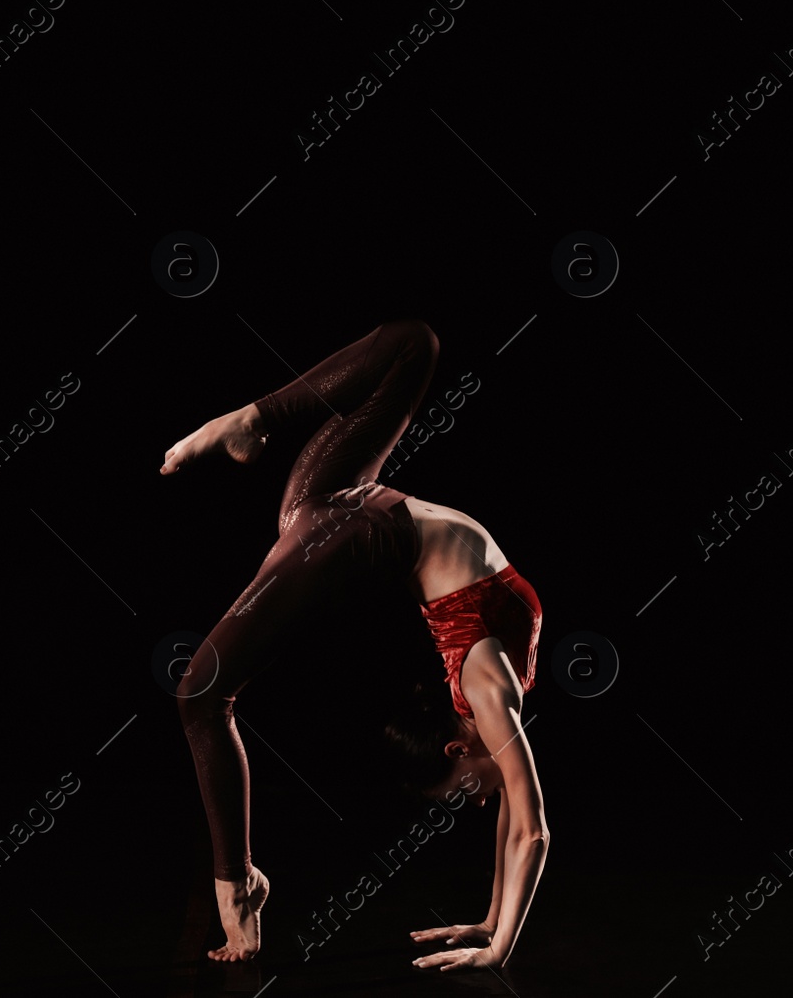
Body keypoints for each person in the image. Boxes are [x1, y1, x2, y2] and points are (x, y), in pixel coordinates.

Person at [161, 319, 549, 971]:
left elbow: (516, 815)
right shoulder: (487, 688)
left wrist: (489, 919)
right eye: (463, 790)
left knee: (201, 692)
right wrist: (499, 947)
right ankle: (252, 418)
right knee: (413, 344)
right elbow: (534, 828)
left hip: (343, 515)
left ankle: (239, 885)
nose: (477, 801)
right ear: (457, 746)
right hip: (346, 518)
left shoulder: (487, 695)